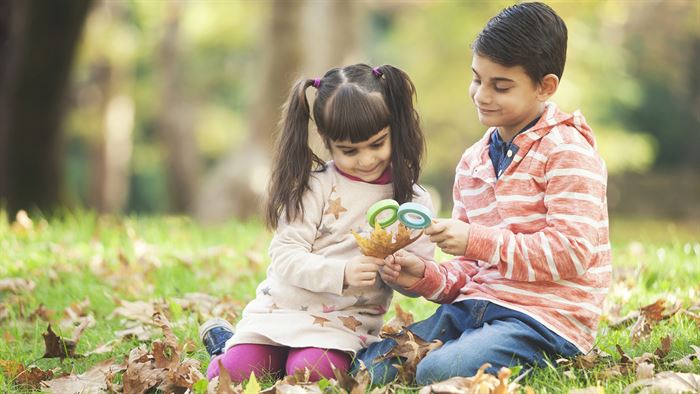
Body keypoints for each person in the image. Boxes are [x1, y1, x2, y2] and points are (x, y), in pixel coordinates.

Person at [355, 2, 611, 385]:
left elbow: (571, 253)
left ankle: (517, 356)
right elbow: (472, 269)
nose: (481, 94)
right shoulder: (474, 160)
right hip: (475, 306)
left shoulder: (567, 151)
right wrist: (424, 277)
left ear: (546, 86)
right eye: (477, 79)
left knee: (438, 370)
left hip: (544, 318)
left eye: (500, 86)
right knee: (368, 367)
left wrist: (477, 241)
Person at [199, 63, 435, 382]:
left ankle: (281, 356)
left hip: (344, 321)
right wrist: (341, 273)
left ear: (394, 127)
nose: (366, 159)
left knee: (310, 373)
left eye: (378, 144)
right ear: (326, 139)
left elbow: (419, 276)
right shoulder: (315, 186)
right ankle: (224, 346)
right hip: (281, 311)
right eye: (349, 151)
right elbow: (285, 256)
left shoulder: (413, 201)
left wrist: (404, 275)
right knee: (226, 373)